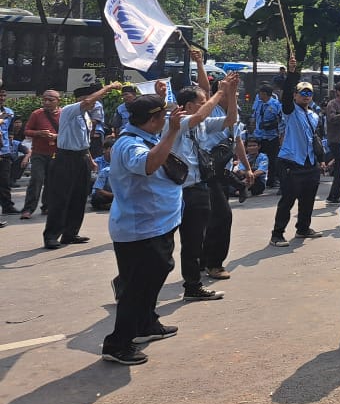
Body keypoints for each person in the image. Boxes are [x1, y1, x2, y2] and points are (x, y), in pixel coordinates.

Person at [101, 96, 185, 365]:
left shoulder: (146, 137)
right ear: (153, 119)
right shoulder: (129, 144)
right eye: (163, 117)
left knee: (155, 276)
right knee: (136, 288)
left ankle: (147, 324)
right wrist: (172, 132)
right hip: (140, 230)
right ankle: (118, 344)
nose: (166, 121)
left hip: (158, 225)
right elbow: (148, 165)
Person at [171, 75, 238, 299]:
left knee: (193, 239)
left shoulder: (200, 124)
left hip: (198, 185)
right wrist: (220, 92)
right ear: (189, 105)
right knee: (161, 243)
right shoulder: (178, 121)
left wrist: (231, 94)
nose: (206, 105)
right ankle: (126, 283)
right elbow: (200, 114)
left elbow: (230, 120)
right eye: (202, 101)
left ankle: (193, 285)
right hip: (176, 190)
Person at [43, 82, 120, 250]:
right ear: (81, 99)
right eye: (91, 99)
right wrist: (108, 88)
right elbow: (87, 103)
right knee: (60, 198)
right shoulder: (70, 110)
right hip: (65, 158)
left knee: (79, 197)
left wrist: (90, 159)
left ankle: (70, 233)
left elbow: (83, 142)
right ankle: (51, 236)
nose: (93, 103)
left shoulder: (86, 116)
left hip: (81, 158)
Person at [269, 58, 324, 247]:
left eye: (309, 92)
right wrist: (292, 73)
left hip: (309, 162)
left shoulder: (314, 115)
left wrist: (320, 160)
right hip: (291, 161)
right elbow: (285, 99)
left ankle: (303, 228)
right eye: (302, 92)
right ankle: (277, 234)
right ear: (295, 95)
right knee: (288, 200)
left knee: (308, 199)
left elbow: (314, 139)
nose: (306, 95)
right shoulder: (290, 111)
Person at [22, 90, 61, 219]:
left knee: (52, 181)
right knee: (36, 180)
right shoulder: (37, 114)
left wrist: (56, 136)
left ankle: (47, 206)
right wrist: (39, 133)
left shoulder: (63, 114)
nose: (47, 102)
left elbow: (68, 133)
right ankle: (28, 209)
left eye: (50, 100)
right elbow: (27, 131)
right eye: (45, 99)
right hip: (39, 153)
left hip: (56, 153)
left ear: (58, 101)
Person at [250, 84, 283, 190]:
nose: (259, 95)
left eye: (260, 93)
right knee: (258, 158)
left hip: (272, 136)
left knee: (273, 159)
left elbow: (281, 120)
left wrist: (273, 126)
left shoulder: (276, 104)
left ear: (264, 94)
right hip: (259, 135)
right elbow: (254, 117)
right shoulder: (259, 103)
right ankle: (258, 179)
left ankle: (272, 180)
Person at [0, 86, 15, 217]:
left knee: (5, 181)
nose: (2, 98)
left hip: (4, 150)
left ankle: (7, 206)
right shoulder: (4, 114)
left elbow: (10, 129)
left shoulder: (9, 112)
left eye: (4, 96)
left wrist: (10, 140)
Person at [90, 136, 116, 211]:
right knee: (96, 198)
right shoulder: (97, 162)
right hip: (102, 189)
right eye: (111, 149)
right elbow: (98, 189)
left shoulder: (119, 164)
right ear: (104, 150)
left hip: (114, 190)